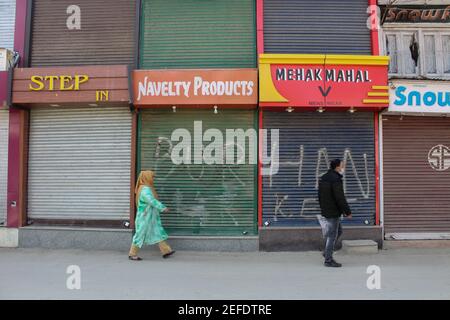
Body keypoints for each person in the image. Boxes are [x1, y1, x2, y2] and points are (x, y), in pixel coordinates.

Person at [128, 170, 175, 261]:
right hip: (144, 217)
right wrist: (162, 207)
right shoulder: (145, 189)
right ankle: (132, 253)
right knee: (140, 234)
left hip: (150, 216)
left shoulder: (146, 188)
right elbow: (151, 201)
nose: (153, 179)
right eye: (152, 177)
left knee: (157, 232)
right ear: (146, 177)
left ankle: (166, 251)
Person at [318, 159, 352, 268]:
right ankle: (328, 260)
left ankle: (326, 252)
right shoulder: (336, 179)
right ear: (337, 167)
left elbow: (320, 196)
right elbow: (340, 197)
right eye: (342, 166)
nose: (343, 168)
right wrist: (347, 212)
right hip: (333, 211)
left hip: (327, 209)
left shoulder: (324, 177)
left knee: (338, 231)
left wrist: (323, 208)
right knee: (332, 236)